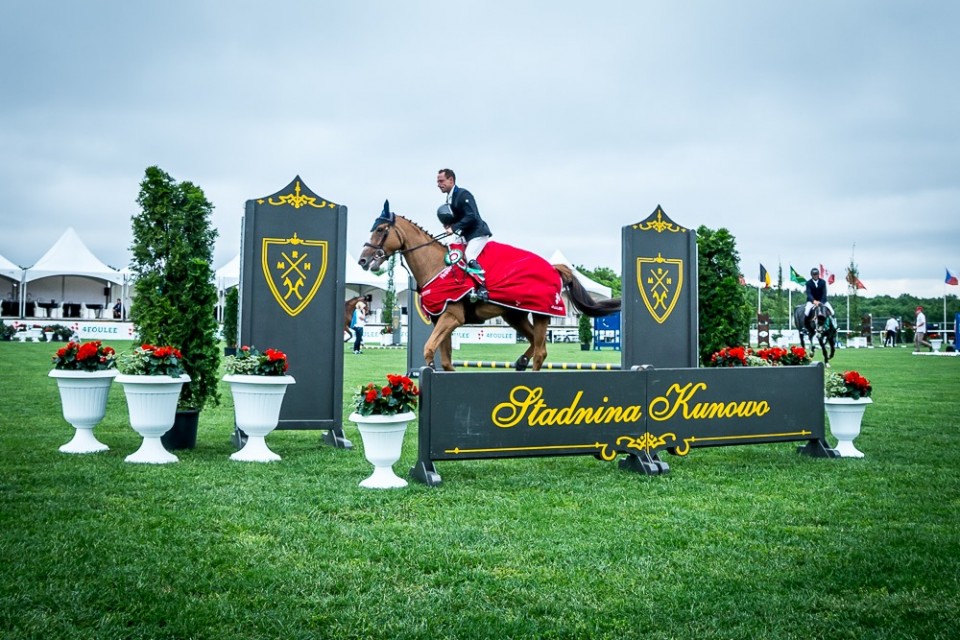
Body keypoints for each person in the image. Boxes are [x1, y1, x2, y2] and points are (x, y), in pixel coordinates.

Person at [436, 168, 492, 303]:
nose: (438, 184)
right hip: (466, 234)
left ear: (451, 180)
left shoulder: (463, 194)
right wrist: (450, 225)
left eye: (441, 181)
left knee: (469, 256)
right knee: (450, 251)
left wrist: (454, 227)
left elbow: (472, 216)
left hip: (478, 233)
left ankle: (483, 287)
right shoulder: (450, 197)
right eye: (437, 181)